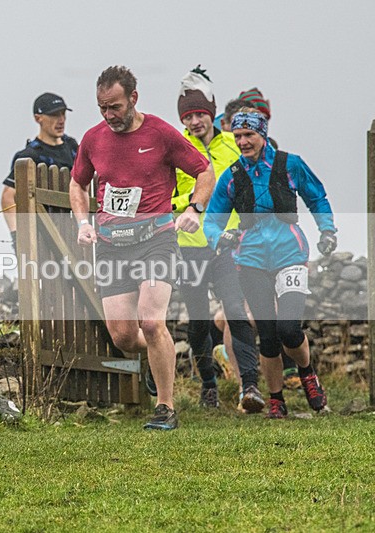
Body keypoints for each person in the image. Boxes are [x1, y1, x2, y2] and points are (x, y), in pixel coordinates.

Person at [69, 66, 215, 430]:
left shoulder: (161, 133)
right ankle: (155, 357)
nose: (109, 115)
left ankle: (165, 407)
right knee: (122, 336)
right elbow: (77, 183)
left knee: (151, 321)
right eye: (102, 108)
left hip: (156, 241)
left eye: (115, 107)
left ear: (133, 98)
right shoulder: (93, 139)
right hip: (112, 246)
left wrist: (194, 209)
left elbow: (204, 171)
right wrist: (83, 223)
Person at [204, 110, 336, 418]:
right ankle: (276, 399)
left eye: (249, 135)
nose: (243, 141)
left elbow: (317, 197)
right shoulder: (232, 176)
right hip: (250, 260)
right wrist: (219, 238)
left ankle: (308, 374)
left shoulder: (290, 164)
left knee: (288, 327)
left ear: (262, 135)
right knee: (267, 333)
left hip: (290, 254)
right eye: (238, 136)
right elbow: (211, 220)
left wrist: (327, 230)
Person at [170, 66, 262, 411]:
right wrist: (194, 202)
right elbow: (167, 198)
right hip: (189, 247)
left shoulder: (232, 146)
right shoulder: (176, 148)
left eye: (200, 114)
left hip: (227, 245)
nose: (195, 122)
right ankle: (208, 384)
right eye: (188, 116)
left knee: (236, 310)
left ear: (211, 113)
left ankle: (249, 386)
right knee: (198, 322)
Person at [1, 93, 78, 251]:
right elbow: (8, 197)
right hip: (44, 238)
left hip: (75, 233)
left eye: (63, 113)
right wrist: (17, 235)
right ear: (38, 118)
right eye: (54, 115)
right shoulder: (29, 156)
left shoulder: (72, 147)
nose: (61, 120)